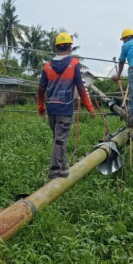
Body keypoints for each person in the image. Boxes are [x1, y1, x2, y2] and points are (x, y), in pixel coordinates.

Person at [38, 32, 95, 179]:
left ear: (56, 48)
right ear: (70, 48)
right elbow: (81, 88)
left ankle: (63, 166)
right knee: (60, 140)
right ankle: (55, 170)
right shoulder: (74, 64)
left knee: (58, 139)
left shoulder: (47, 66)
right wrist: (90, 107)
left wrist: (41, 106)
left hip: (51, 108)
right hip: (65, 109)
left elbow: (41, 88)